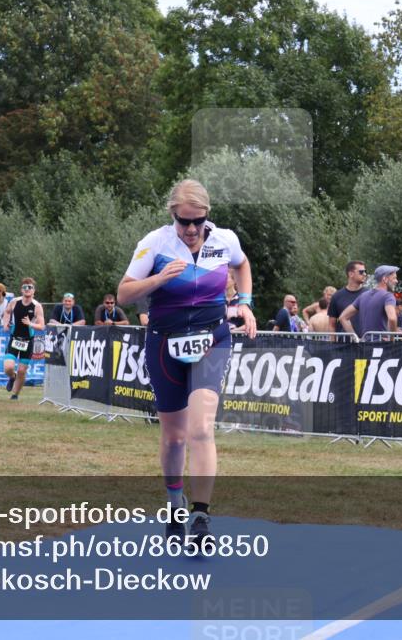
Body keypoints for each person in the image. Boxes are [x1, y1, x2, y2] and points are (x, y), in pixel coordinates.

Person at [116, 179, 257, 549]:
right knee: (175, 436)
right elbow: (124, 292)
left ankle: (200, 515)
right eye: (184, 222)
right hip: (164, 343)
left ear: (207, 215)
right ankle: (175, 503)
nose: (192, 230)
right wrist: (160, 278)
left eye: (198, 221)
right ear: (172, 216)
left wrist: (244, 302)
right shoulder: (155, 243)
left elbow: (243, 266)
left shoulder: (224, 239)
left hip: (212, 339)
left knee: (201, 428)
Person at [2, 278, 45, 400]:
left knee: (22, 370)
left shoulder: (37, 306)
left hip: (28, 341)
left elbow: (41, 326)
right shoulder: (14, 302)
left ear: (34, 291)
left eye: (30, 287)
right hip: (15, 339)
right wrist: (5, 324)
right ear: (21, 290)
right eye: (25, 287)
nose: (27, 289)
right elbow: (7, 312)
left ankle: (15, 395)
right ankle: (12, 377)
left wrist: (30, 324)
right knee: (8, 367)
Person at [338, 265, 399, 340]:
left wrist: (356, 338)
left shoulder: (363, 295)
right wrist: (391, 339)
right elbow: (392, 318)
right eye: (394, 278)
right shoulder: (388, 296)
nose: (396, 281)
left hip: (365, 345)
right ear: (385, 279)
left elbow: (343, 317)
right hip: (381, 346)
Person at [328, 261, 368, 332]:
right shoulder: (337, 296)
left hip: (365, 340)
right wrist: (332, 343)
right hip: (343, 342)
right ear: (351, 274)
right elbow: (331, 325)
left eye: (365, 271)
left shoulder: (369, 294)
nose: (365, 274)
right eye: (361, 272)